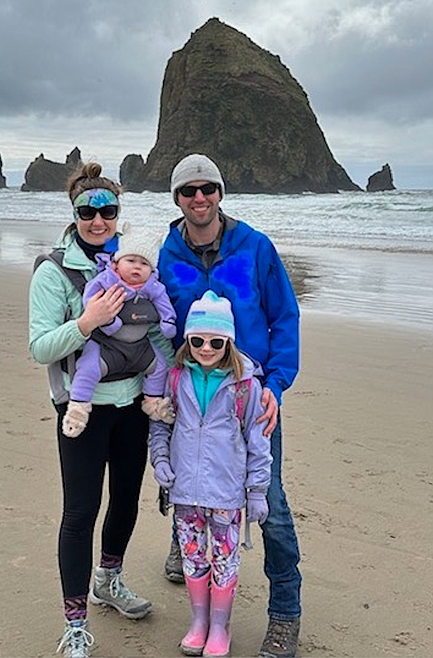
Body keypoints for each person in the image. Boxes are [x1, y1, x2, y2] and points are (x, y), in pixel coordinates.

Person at [157, 154, 301, 658]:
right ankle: (184, 544)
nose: (199, 198)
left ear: (221, 192)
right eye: (188, 190)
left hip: (248, 396)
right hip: (189, 396)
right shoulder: (166, 254)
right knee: (186, 483)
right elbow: (156, 321)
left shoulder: (256, 247)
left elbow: (285, 316)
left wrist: (275, 384)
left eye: (208, 188)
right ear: (176, 198)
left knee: (271, 507)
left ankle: (285, 613)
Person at [29, 162, 172, 658]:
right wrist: (87, 321)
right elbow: (40, 348)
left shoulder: (134, 262)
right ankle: (75, 624)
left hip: (133, 404)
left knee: (126, 500)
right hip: (82, 408)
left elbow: (155, 327)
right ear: (74, 213)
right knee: (80, 512)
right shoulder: (53, 271)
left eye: (107, 211)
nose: (97, 221)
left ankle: (108, 580)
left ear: (117, 214)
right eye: (87, 212)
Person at [149, 290, 273, 657]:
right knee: (192, 557)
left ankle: (220, 626)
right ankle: (199, 622)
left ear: (228, 342)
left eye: (216, 341)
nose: (206, 348)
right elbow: (160, 426)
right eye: (198, 340)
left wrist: (257, 490)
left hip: (226, 494)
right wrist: (160, 460)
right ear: (187, 339)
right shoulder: (175, 379)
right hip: (185, 490)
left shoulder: (246, 386)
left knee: (224, 560)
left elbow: (258, 440)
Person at [62, 225, 177, 437]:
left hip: (140, 348)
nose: (137, 267)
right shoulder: (107, 279)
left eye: (144, 264)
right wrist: (109, 322)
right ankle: (78, 408)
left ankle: (152, 402)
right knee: (87, 368)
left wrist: (168, 322)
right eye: (131, 261)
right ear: (117, 262)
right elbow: (90, 299)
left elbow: (164, 305)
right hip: (107, 346)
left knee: (159, 367)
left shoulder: (153, 286)